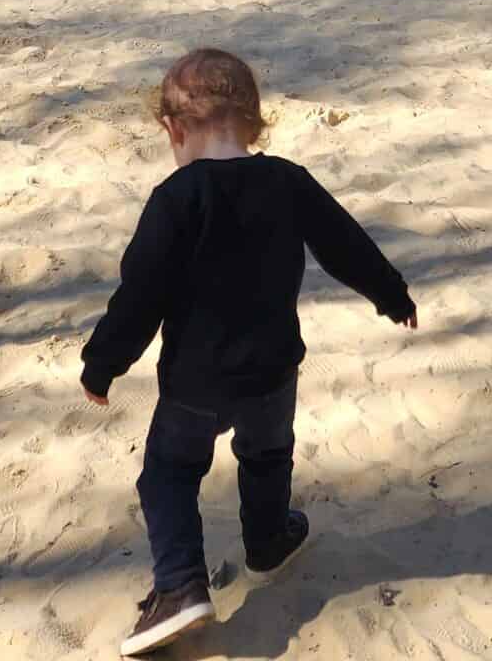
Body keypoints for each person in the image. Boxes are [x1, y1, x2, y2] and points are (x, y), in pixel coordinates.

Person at [81, 49, 417, 656]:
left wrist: (103, 363)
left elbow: (141, 295)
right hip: (272, 373)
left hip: (195, 383)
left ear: (173, 129)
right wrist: (391, 295)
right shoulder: (287, 180)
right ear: (256, 123)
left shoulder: (176, 197)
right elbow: (347, 246)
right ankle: (268, 541)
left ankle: (181, 587)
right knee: (266, 455)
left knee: (169, 473)